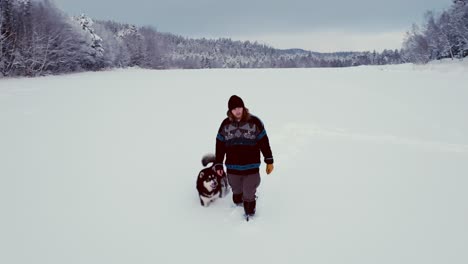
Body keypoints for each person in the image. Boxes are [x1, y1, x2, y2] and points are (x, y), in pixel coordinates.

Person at [214, 95, 274, 217]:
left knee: (249, 191)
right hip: (233, 166)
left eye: (239, 107)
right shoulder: (225, 125)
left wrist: (269, 160)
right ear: (230, 110)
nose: (238, 111)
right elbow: (220, 146)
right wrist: (219, 164)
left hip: (251, 165)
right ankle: (238, 202)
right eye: (234, 108)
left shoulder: (255, 122)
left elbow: (264, 142)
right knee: (236, 190)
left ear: (243, 107)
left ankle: (250, 213)